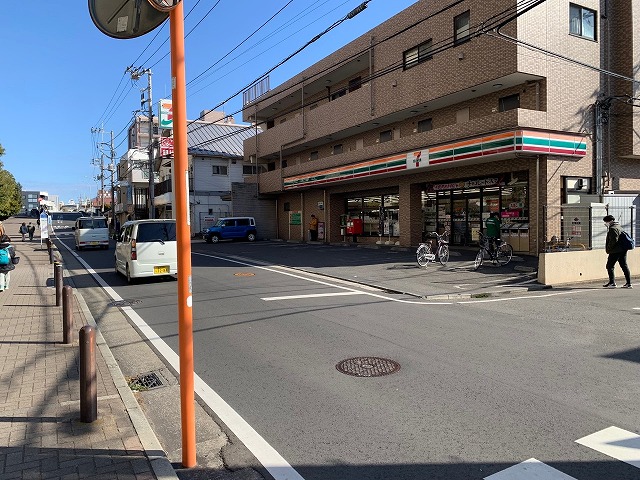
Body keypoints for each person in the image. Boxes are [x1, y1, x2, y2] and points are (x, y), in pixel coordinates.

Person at [602, 214, 632, 288]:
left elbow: (613, 240)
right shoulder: (619, 226)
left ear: (610, 221)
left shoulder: (613, 228)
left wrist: (609, 248)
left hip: (615, 250)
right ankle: (628, 283)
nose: (606, 223)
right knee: (624, 265)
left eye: (606, 222)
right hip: (622, 249)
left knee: (609, 266)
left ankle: (612, 283)